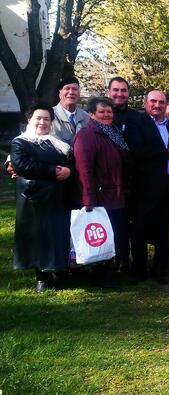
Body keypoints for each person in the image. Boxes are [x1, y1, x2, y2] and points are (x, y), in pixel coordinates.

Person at [10, 103, 73, 293]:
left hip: (57, 198)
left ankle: (57, 271)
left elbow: (71, 163)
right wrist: (53, 171)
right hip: (33, 200)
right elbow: (22, 165)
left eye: (47, 119)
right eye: (39, 118)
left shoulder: (57, 143)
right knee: (37, 239)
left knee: (55, 236)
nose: (43, 122)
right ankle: (42, 278)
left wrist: (70, 171)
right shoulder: (20, 142)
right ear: (30, 119)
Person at [126, 90, 169, 284]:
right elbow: (137, 150)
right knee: (140, 230)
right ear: (145, 103)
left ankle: (160, 268)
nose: (157, 105)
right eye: (153, 101)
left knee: (165, 230)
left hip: (168, 185)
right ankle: (139, 269)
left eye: (161, 102)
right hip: (145, 186)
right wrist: (166, 152)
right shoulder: (137, 123)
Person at [73, 97, 132, 286]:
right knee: (103, 235)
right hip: (100, 196)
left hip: (117, 193)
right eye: (102, 112)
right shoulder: (87, 135)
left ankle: (115, 269)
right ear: (92, 114)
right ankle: (100, 274)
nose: (107, 115)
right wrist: (88, 200)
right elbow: (84, 170)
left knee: (116, 233)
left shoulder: (112, 131)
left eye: (109, 112)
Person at [51, 76, 90, 145]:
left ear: (79, 94)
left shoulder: (87, 118)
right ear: (60, 93)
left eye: (75, 89)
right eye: (67, 88)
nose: (71, 92)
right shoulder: (50, 115)